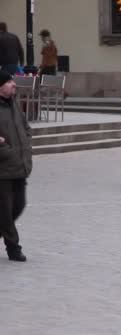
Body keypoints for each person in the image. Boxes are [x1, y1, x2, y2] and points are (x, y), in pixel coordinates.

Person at [0, 70, 32, 262]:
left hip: (20, 167)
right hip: (2, 170)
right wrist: (7, 150)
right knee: (5, 210)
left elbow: (25, 127)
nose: (14, 84)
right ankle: (14, 248)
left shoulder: (14, 104)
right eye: (9, 82)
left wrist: (26, 145)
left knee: (19, 206)